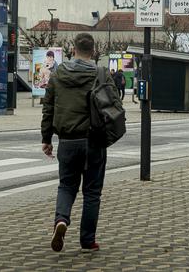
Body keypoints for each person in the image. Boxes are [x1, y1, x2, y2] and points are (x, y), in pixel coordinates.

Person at [41, 33, 120, 253]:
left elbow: (48, 107)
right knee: (92, 192)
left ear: (73, 50)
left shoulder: (58, 74)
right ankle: (87, 240)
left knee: (66, 186)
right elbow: (114, 104)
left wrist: (46, 138)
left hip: (67, 140)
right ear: (93, 51)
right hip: (94, 141)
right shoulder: (100, 73)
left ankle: (61, 220)